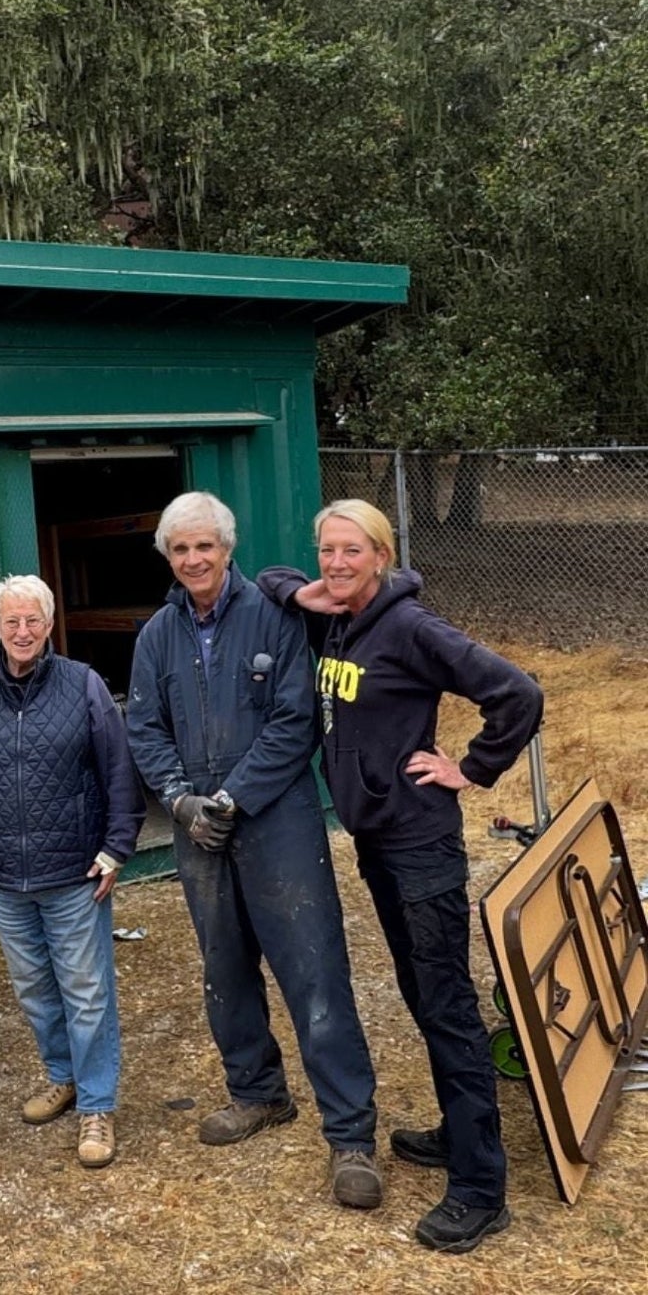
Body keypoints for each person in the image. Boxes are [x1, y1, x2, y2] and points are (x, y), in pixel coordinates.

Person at [259, 499, 542, 1255]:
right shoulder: (340, 617)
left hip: (421, 845)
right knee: (423, 996)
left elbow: (518, 694)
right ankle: (459, 1134)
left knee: (447, 1006)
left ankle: (483, 1190)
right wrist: (304, 593)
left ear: (382, 555)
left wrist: (471, 769)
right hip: (378, 841)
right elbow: (266, 576)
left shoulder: (413, 628)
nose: (338, 563)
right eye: (328, 551)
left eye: (353, 551)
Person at [126, 490, 385, 1210]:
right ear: (169, 558)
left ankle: (351, 1134)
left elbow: (296, 718)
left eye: (204, 545)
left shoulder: (275, 614)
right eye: (180, 550)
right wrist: (180, 801)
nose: (193, 559)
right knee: (225, 965)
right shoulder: (156, 637)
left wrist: (233, 799)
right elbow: (144, 728)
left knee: (313, 968)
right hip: (198, 831)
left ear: (227, 548)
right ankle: (258, 1092)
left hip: (275, 820)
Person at [0, 575, 146, 1169]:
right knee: (34, 990)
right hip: (4, 876)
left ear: (49, 625)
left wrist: (117, 846)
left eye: (33, 621)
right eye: (11, 622)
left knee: (86, 991)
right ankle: (63, 1076)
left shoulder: (84, 686)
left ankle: (97, 1104)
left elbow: (118, 772)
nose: (22, 632)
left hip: (75, 874)